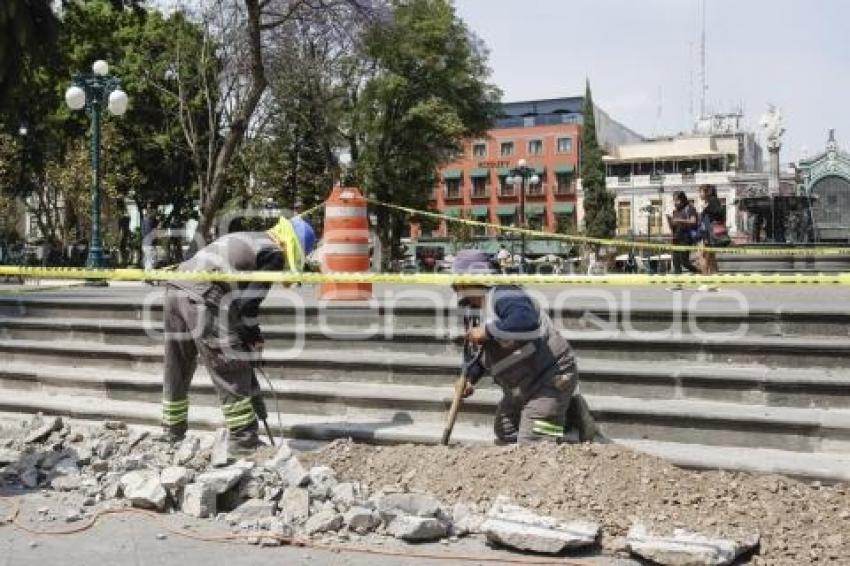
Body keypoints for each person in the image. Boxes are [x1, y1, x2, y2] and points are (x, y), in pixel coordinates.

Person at [160, 216, 316, 453]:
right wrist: (252, 338)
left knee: (177, 364)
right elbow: (247, 306)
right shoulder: (273, 253)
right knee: (231, 364)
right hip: (204, 292)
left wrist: (248, 334)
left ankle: (172, 433)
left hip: (175, 288)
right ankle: (245, 442)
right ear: (294, 247)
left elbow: (237, 302)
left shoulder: (252, 238)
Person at [450, 249, 604, 444]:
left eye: (457, 280)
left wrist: (488, 331)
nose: (454, 286)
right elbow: (478, 354)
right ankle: (563, 422)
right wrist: (469, 378)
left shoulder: (504, 294)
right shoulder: (471, 309)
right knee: (505, 431)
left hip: (550, 378)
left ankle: (569, 428)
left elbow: (525, 320)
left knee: (534, 442)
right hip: (521, 386)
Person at [666, 191, 700, 278]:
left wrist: (679, 220)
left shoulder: (690, 208)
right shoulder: (675, 211)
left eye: (677, 200)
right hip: (676, 238)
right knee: (676, 262)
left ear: (682, 199)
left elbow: (693, 221)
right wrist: (669, 221)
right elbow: (673, 228)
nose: (675, 202)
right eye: (674, 200)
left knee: (684, 262)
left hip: (686, 238)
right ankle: (677, 283)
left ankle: (698, 272)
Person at [698, 185, 726, 286]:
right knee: (711, 258)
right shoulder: (713, 201)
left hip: (708, 234)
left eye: (701, 192)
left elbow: (713, 215)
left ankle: (705, 281)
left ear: (706, 192)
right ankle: (715, 280)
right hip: (709, 234)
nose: (700, 194)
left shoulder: (712, 201)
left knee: (703, 257)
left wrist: (706, 209)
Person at [142, 204, 158, 271]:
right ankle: (149, 277)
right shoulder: (151, 220)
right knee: (151, 261)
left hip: (145, 244)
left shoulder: (145, 220)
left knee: (147, 261)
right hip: (150, 244)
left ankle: (147, 278)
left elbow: (143, 232)